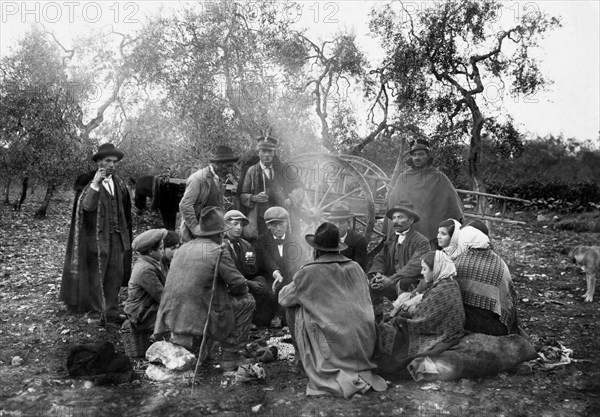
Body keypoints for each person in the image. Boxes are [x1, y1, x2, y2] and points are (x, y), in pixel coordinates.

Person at [279, 222, 388, 398]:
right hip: (364, 343)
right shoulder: (356, 267)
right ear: (338, 248)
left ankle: (301, 360)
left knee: (293, 306)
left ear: (316, 250)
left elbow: (283, 298)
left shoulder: (309, 271)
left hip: (334, 346)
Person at [153, 207, 255, 371]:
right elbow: (238, 284)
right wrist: (235, 292)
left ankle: (204, 348)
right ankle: (231, 356)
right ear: (220, 233)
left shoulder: (181, 249)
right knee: (247, 301)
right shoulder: (217, 250)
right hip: (199, 317)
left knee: (210, 300)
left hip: (170, 316)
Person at [60, 143, 132, 323]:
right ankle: (95, 313)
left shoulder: (119, 183)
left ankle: (112, 311)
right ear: (99, 162)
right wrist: (95, 183)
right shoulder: (89, 183)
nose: (112, 165)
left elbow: (125, 210)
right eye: (108, 161)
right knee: (97, 276)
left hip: (117, 237)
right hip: (97, 238)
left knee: (116, 274)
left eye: (115, 162)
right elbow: (87, 206)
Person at [376, 251, 466, 376]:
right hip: (440, 326)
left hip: (440, 331)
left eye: (424, 269)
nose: (422, 272)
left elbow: (424, 319)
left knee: (392, 331)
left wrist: (403, 317)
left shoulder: (443, 289)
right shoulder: (445, 284)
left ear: (436, 270)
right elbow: (426, 309)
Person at [386, 139, 463, 243]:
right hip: (405, 230)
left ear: (427, 156)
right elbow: (393, 203)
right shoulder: (403, 177)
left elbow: (452, 204)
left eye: (421, 154)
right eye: (414, 155)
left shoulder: (439, 177)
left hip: (428, 232)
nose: (417, 158)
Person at [453, 226, 519, 336]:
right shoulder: (500, 263)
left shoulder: (459, 262)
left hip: (466, 324)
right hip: (498, 326)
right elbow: (510, 297)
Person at [239, 136, 304, 240]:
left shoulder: (284, 170)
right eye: (263, 151)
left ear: (274, 153)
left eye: (270, 151)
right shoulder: (251, 171)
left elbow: (300, 189)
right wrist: (254, 198)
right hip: (261, 221)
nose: (267, 155)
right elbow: (242, 196)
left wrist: (290, 199)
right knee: (263, 246)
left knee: (282, 246)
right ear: (258, 153)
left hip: (281, 219)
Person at [254, 206, 307, 327]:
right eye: (274, 225)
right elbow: (268, 260)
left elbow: (297, 263)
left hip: (289, 280)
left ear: (287, 223)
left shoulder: (295, 241)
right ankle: (272, 314)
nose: (279, 228)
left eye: (281, 224)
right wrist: (276, 273)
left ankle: (280, 314)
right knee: (262, 321)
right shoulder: (261, 241)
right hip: (270, 280)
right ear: (268, 226)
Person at [223, 210, 277, 326]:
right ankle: (233, 320)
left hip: (241, 284)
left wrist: (251, 265)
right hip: (225, 287)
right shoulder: (219, 246)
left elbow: (251, 272)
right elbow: (224, 274)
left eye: (241, 225)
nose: (239, 228)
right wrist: (248, 283)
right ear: (225, 225)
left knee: (261, 282)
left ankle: (248, 318)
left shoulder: (245, 245)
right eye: (235, 224)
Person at [368, 202, 430, 301]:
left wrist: (390, 280)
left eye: (400, 217)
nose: (396, 221)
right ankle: (377, 314)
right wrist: (378, 274)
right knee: (372, 283)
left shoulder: (422, 241)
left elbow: (414, 267)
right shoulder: (392, 239)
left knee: (404, 283)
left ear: (411, 220)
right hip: (392, 280)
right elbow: (381, 258)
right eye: (394, 218)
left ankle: (403, 313)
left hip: (413, 283)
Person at [179, 146, 239, 242]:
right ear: (218, 164)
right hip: (196, 234)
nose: (229, 170)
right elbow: (185, 205)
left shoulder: (218, 178)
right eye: (227, 166)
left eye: (231, 166)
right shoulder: (198, 178)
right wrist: (195, 227)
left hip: (213, 231)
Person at [123, 229, 168, 341]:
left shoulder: (151, 263)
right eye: (160, 249)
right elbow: (162, 297)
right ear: (151, 252)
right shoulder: (146, 270)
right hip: (141, 315)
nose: (163, 251)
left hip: (147, 307)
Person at [326, 201, 368, 271]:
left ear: (348, 223)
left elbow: (358, 268)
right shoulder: (325, 239)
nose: (337, 226)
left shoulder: (358, 241)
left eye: (342, 222)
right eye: (334, 222)